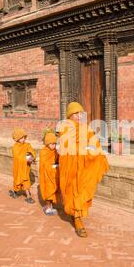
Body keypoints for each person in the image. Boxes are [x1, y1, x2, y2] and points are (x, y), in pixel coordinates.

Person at [58, 102, 109, 238]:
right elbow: (65, 146)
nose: (79, 116)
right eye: (76, 113)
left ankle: (77, 217)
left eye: (81, 113)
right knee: (72, 192)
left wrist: (91, 149)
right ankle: (76, 217)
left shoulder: (86, 128)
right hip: (70, 167)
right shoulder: (65, 128)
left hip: (84, 166)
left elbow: (93, 143)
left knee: (81, 192)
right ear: (70, 115)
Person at [10, 128, 37, 204]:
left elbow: (32, 151)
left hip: (25, 168)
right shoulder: (15, 147)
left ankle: (27, 196)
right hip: (18, 167)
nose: (23, 139)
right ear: (17, 139)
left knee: (25, 181)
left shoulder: (27, 145)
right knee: (18, 180)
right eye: (21, 138)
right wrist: (25, 159)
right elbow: (17, 157)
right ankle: (17, 192)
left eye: (24, 137)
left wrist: (31, 156)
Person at [38, 131, 59, 216]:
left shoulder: (55, 151)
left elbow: (57, 160)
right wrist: (53, 166)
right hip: (46, 176)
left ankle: (49, 207)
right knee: (49, 192)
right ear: (47, 144)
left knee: (52, 191)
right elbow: (45, 165)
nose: (53, 146)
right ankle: (48, 208)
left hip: (53, 175)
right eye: (51, 144)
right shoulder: (43, 152)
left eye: (54, 143)